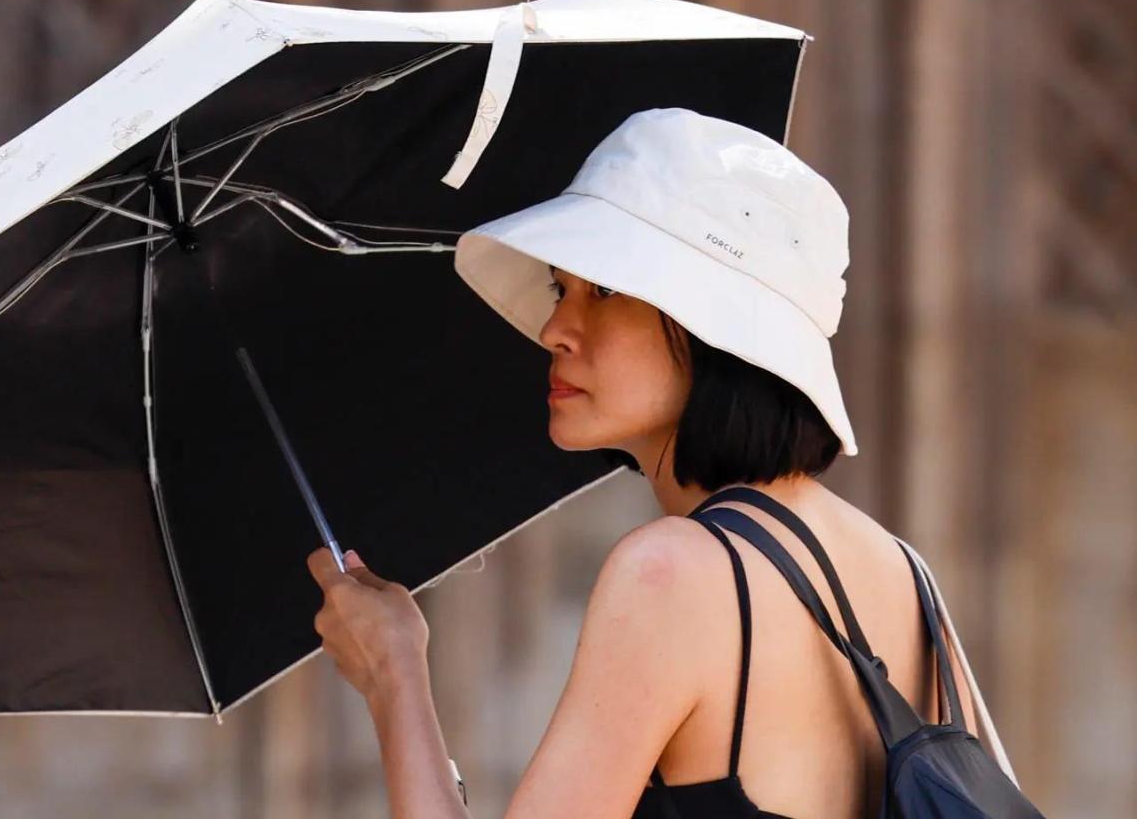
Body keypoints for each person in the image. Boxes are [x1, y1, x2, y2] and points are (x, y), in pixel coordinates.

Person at [304, 108, 979, 819]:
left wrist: (394, 675)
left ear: (713, 327)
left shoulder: (670, 575)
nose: (554, 329)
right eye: (563, 289)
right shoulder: (904, 572)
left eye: (606, 290)